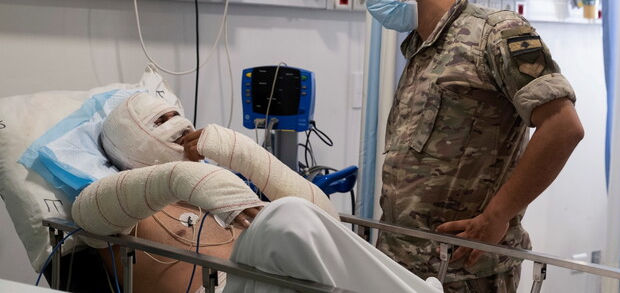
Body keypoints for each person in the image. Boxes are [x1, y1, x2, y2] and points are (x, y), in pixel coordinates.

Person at [352, 0, 584, 293]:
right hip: (403, 265)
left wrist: (497, 216)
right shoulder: (420, 52)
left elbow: (563, 128)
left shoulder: (495, 33)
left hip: (466, 270)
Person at [70, 92, 443, 293]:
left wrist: (245, 154)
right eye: (160, 120)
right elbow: (85, 215)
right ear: (125, 143)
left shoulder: (222, 195)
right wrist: (181, 176)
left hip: (271, 284)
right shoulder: (128, 209)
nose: (180, 124)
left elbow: (325, 221)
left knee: (295, 218)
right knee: (286, 215)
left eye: (176, 113)